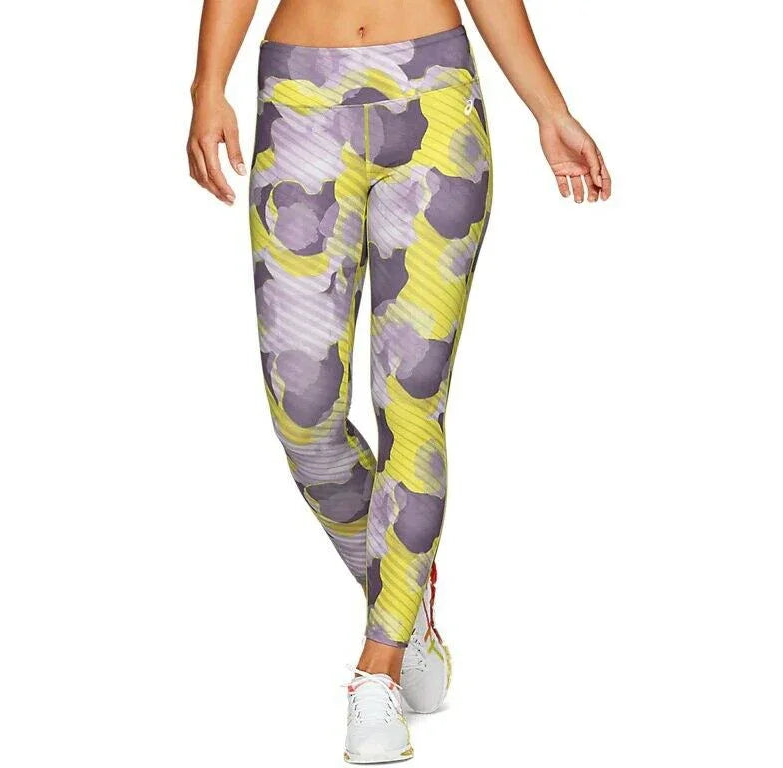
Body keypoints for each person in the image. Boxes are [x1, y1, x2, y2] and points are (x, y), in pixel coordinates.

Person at [187, 0, 611, 761]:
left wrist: (550, 109)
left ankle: (378, 666)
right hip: (300, 101)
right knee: (303, 413)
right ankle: (407, 599)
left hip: (435, 99)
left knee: (412, 403)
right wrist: (206, 86)